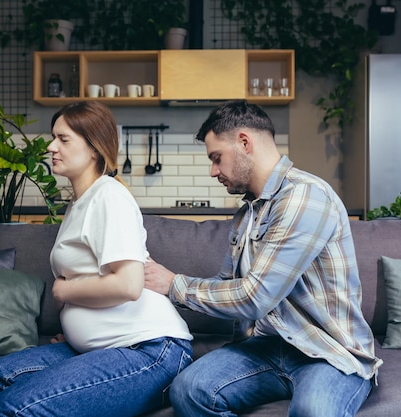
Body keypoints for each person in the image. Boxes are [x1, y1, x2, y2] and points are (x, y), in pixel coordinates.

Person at [144, 100, 383, 417]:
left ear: (244, 142)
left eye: (217, 158)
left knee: (314, 411)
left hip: (325, 350)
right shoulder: (248, 214)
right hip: (268, 347)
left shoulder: (304, 197)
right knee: (189, 390)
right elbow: (226, 285)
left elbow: (256, 296)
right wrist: (153, 292)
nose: (213, 171)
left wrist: (174, 284)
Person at [0, 101, 193, 417]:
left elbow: (128, 284)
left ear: (94, 149)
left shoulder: (109, 197)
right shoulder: (80, 203)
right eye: (54, 137)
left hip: (150, 350)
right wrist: (75, 326)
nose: (51, 147)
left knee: (11, 409)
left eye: (63, 139)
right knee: (0, 376)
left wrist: (64, 293)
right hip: (103, 348)